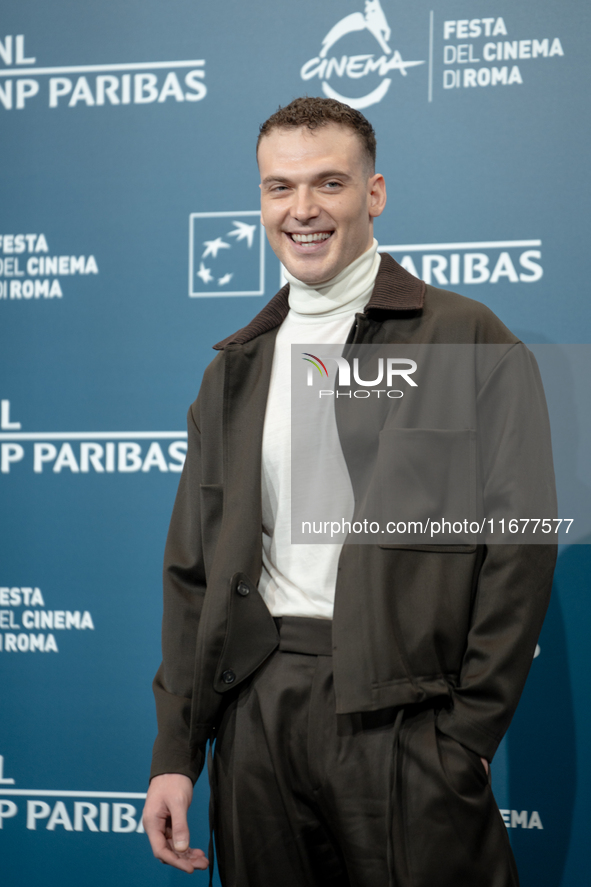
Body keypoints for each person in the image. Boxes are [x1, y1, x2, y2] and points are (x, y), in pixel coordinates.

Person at [142, 97, 556, 886]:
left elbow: (521, 546)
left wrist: (466, 733)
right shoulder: (232, 369)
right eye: (278, 187)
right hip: (257, 713)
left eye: (328, 183)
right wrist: (177, 752)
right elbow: (192, 574)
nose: (301, 210)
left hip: (407, 721)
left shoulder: (468, 338)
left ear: (373, 194)